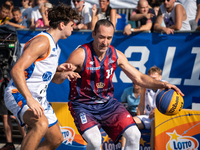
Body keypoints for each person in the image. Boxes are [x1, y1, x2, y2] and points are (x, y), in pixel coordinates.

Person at [52, 19, 184, 150]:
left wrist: (163, 85)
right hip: (83, 105)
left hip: (107, 104)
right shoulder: (80, 54)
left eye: (109, 38)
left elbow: (139, 78)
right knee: (95, 141)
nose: (105, 42)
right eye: (102, 37)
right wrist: (63, 74)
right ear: (93, 35)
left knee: (134, 135)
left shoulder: (116, 55)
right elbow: (56, 79)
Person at [4, 4, 82, 150]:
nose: (73, 28)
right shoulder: (42, 42)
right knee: (41, 124)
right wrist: (29, 99)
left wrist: (62, 73)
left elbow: (53, 79)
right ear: (61, 24)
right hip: (19, 93)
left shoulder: (54, 45)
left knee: (56, 139)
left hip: (38, 98)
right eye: (72, 24)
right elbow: (16, 70)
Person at [133, 66, 165, 150]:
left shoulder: (164, 86)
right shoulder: (145, 86)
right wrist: (139, 116)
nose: (152, 81)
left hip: (159, 117)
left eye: (154, 78)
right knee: (128, 123)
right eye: (150, 78)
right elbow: (141, 104)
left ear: (160, 77)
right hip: (147, 117)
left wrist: (156, 110)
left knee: (153, 123)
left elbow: (165, 105)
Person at [121, 83, 141, 150]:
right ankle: (123, 148)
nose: (135, 83)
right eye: (134, 81)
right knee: (126, 126)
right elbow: (122, 103)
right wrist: (125, 107)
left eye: (137, 82)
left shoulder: (145, 92)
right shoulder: (127, 90)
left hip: (141, 114)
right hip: (129, 113)